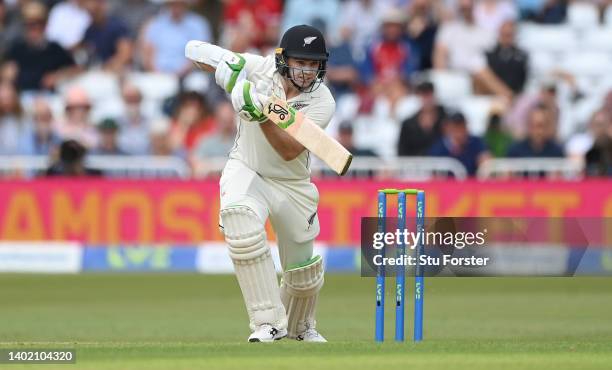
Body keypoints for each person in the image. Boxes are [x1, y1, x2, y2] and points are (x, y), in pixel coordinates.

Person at [186, 24, 334, 342]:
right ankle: (267, 322)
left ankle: (300, 326)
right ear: (283, 59)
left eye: (313, 64)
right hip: (247, 168)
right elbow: (197, 52)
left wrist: (259, 111)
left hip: (292, 183)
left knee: (303, 273)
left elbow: (288, 149)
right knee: (241, 223)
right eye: (300, 62)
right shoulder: (262, 68)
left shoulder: (323, 102)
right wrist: (227, 71)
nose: (307, 71)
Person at [2, 1, 78, 92]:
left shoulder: (55, 49)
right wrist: (6, 74)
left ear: (45, 25)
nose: (34, 28)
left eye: (38, 23)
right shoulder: (17, 49)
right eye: (29, 24)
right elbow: (5, 72)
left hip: (49, 97)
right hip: (21, 97)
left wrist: (58, 76)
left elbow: (76, 69)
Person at [428, 111, 491, 176]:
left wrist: (484, 163)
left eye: (462, 127)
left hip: (471, 184)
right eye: (455, 127)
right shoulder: (439, 147)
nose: (459, 131)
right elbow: (432, 170)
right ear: (447, 127)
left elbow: (486, 160)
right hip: (447, 185)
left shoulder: (476, 142)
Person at [397, 81, 446, 156]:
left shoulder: (446, 119)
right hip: (415, 165)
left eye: (429, 94)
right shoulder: (408, 124)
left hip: (442, 164)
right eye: (423, 95)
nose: (426, 99)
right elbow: (402, 152)